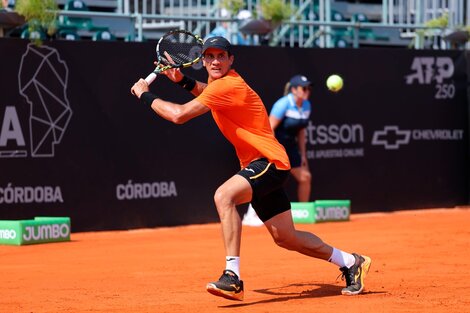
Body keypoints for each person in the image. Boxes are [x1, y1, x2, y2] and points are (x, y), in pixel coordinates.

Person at [130, 36, 371, 301]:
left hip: (268, 162)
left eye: (221, 56)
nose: (215, 61)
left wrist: (145, 94)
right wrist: (182, 81)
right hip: (263, 163)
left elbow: (179, 115)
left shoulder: (229, 84)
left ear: (231, 60)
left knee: (224, 196)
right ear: (203, 61)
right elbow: (204, 91)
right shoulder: (218, 84)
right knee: (286, 238)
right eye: (210, 56)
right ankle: (351, 262)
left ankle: (232, 277)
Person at [269, 74, 313, 202]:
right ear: (294, 90)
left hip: (291, 147)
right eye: (304, 88)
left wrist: (303, 155)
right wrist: (273, 151)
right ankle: (254, 213)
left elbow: (301, 131)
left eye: (309, 88)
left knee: (305, 177)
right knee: (270, 182)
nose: (307, 91)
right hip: (276, 147)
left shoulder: (307, 105)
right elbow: (269, 128)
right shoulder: (282, 104)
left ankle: (304, 212)